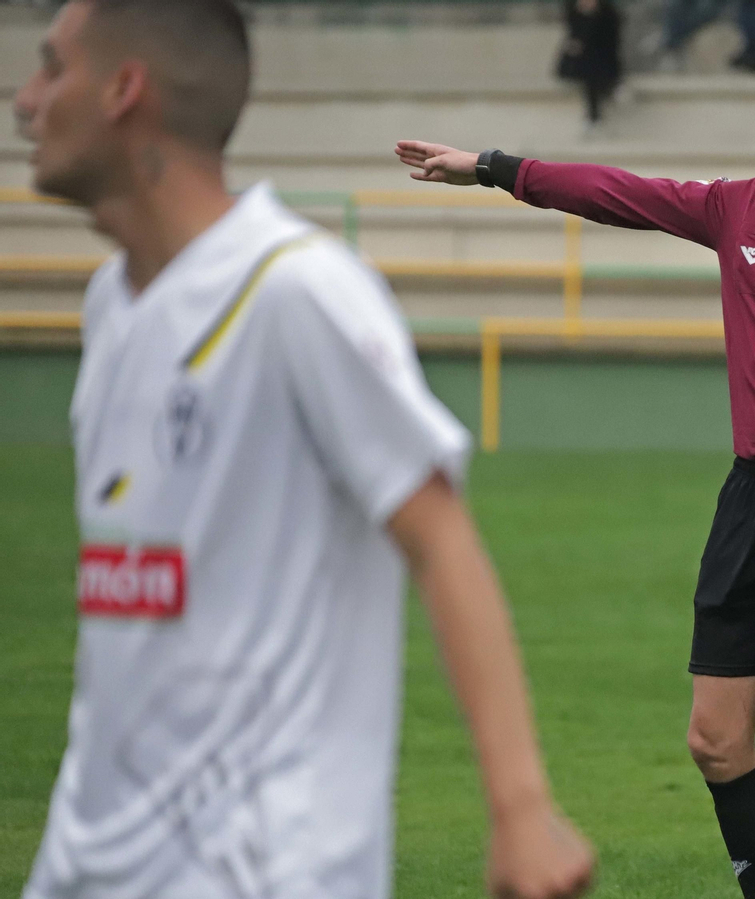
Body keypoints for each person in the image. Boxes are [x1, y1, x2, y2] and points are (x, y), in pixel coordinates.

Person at [12, 2, 595, 898]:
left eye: (53, 67)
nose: (26, 99)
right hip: (86, 865)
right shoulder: (112, 303)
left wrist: (521, 811)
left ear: (126, 90)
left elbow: (440, 537)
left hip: (265, 870)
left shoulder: (296, 289)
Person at [397, 34, 755, 899]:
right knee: (715, 741)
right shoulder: (741, 209)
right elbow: (621, 194)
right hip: (754, 501)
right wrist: (493, 169)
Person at [558, 0, 621, 131]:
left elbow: (612, 39)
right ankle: (594, 116)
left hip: (604, 56)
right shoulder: (574, 11)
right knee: (590, 79)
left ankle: (607, 95)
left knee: (597, 77)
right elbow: (575, 35)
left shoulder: (607, 12)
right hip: (586, 59)